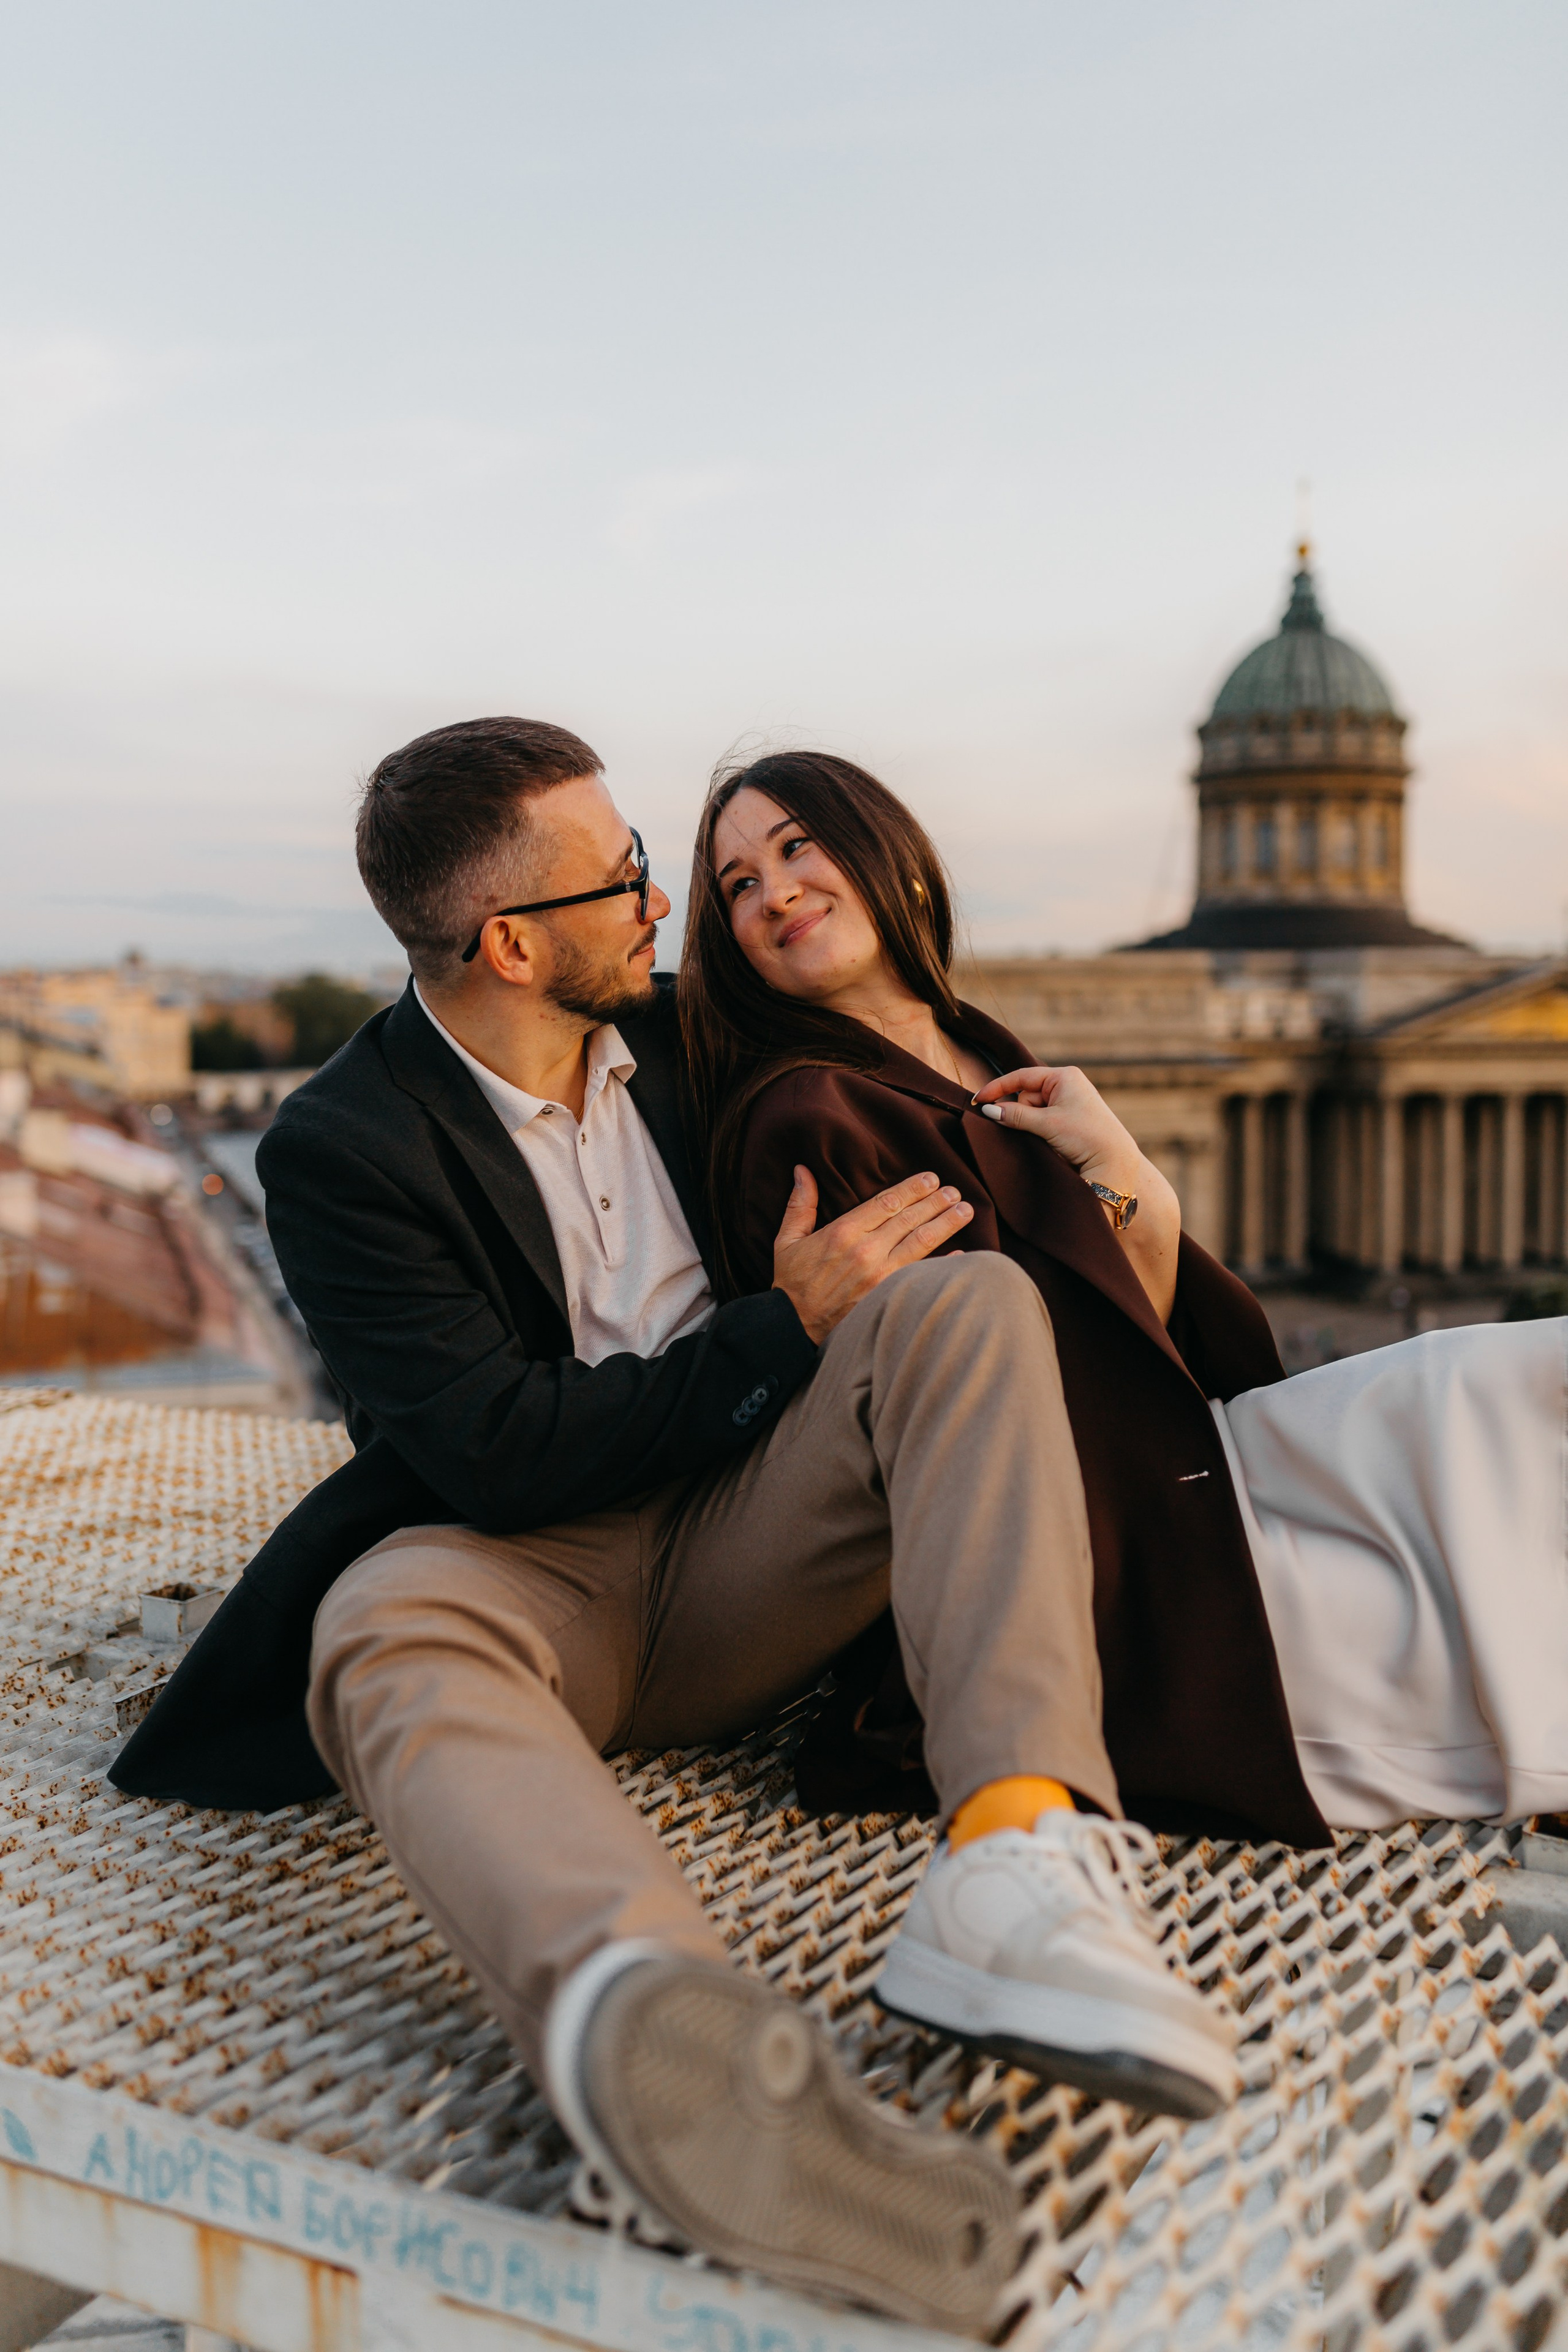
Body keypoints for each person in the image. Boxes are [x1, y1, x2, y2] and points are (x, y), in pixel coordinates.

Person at [111, 718, 1240, 2337]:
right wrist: (781, 1325)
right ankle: (662, 2040)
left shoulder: (699, 1040)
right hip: (535, 1571)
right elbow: (495, 1455)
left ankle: (1013, 1866)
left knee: (966, 1307)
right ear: (512, 943)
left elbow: (901, 1029)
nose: (666, 901)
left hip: (760, 1537)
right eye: (627, 874)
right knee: (379, 1619)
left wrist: (1120, 1171)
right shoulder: (341, 1147)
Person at [680, 748, 1568, 1874]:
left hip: (1171, 1443)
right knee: (1452, 1553)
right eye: (739, 885)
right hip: (1094, 1541)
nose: (775, 891)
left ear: (889, 858)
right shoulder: (809, 1114)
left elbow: (1133, 1318)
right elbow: (976, 1413)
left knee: (1496, 1387)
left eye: (797, 846)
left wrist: (1131, 1179)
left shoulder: (982, 1047)